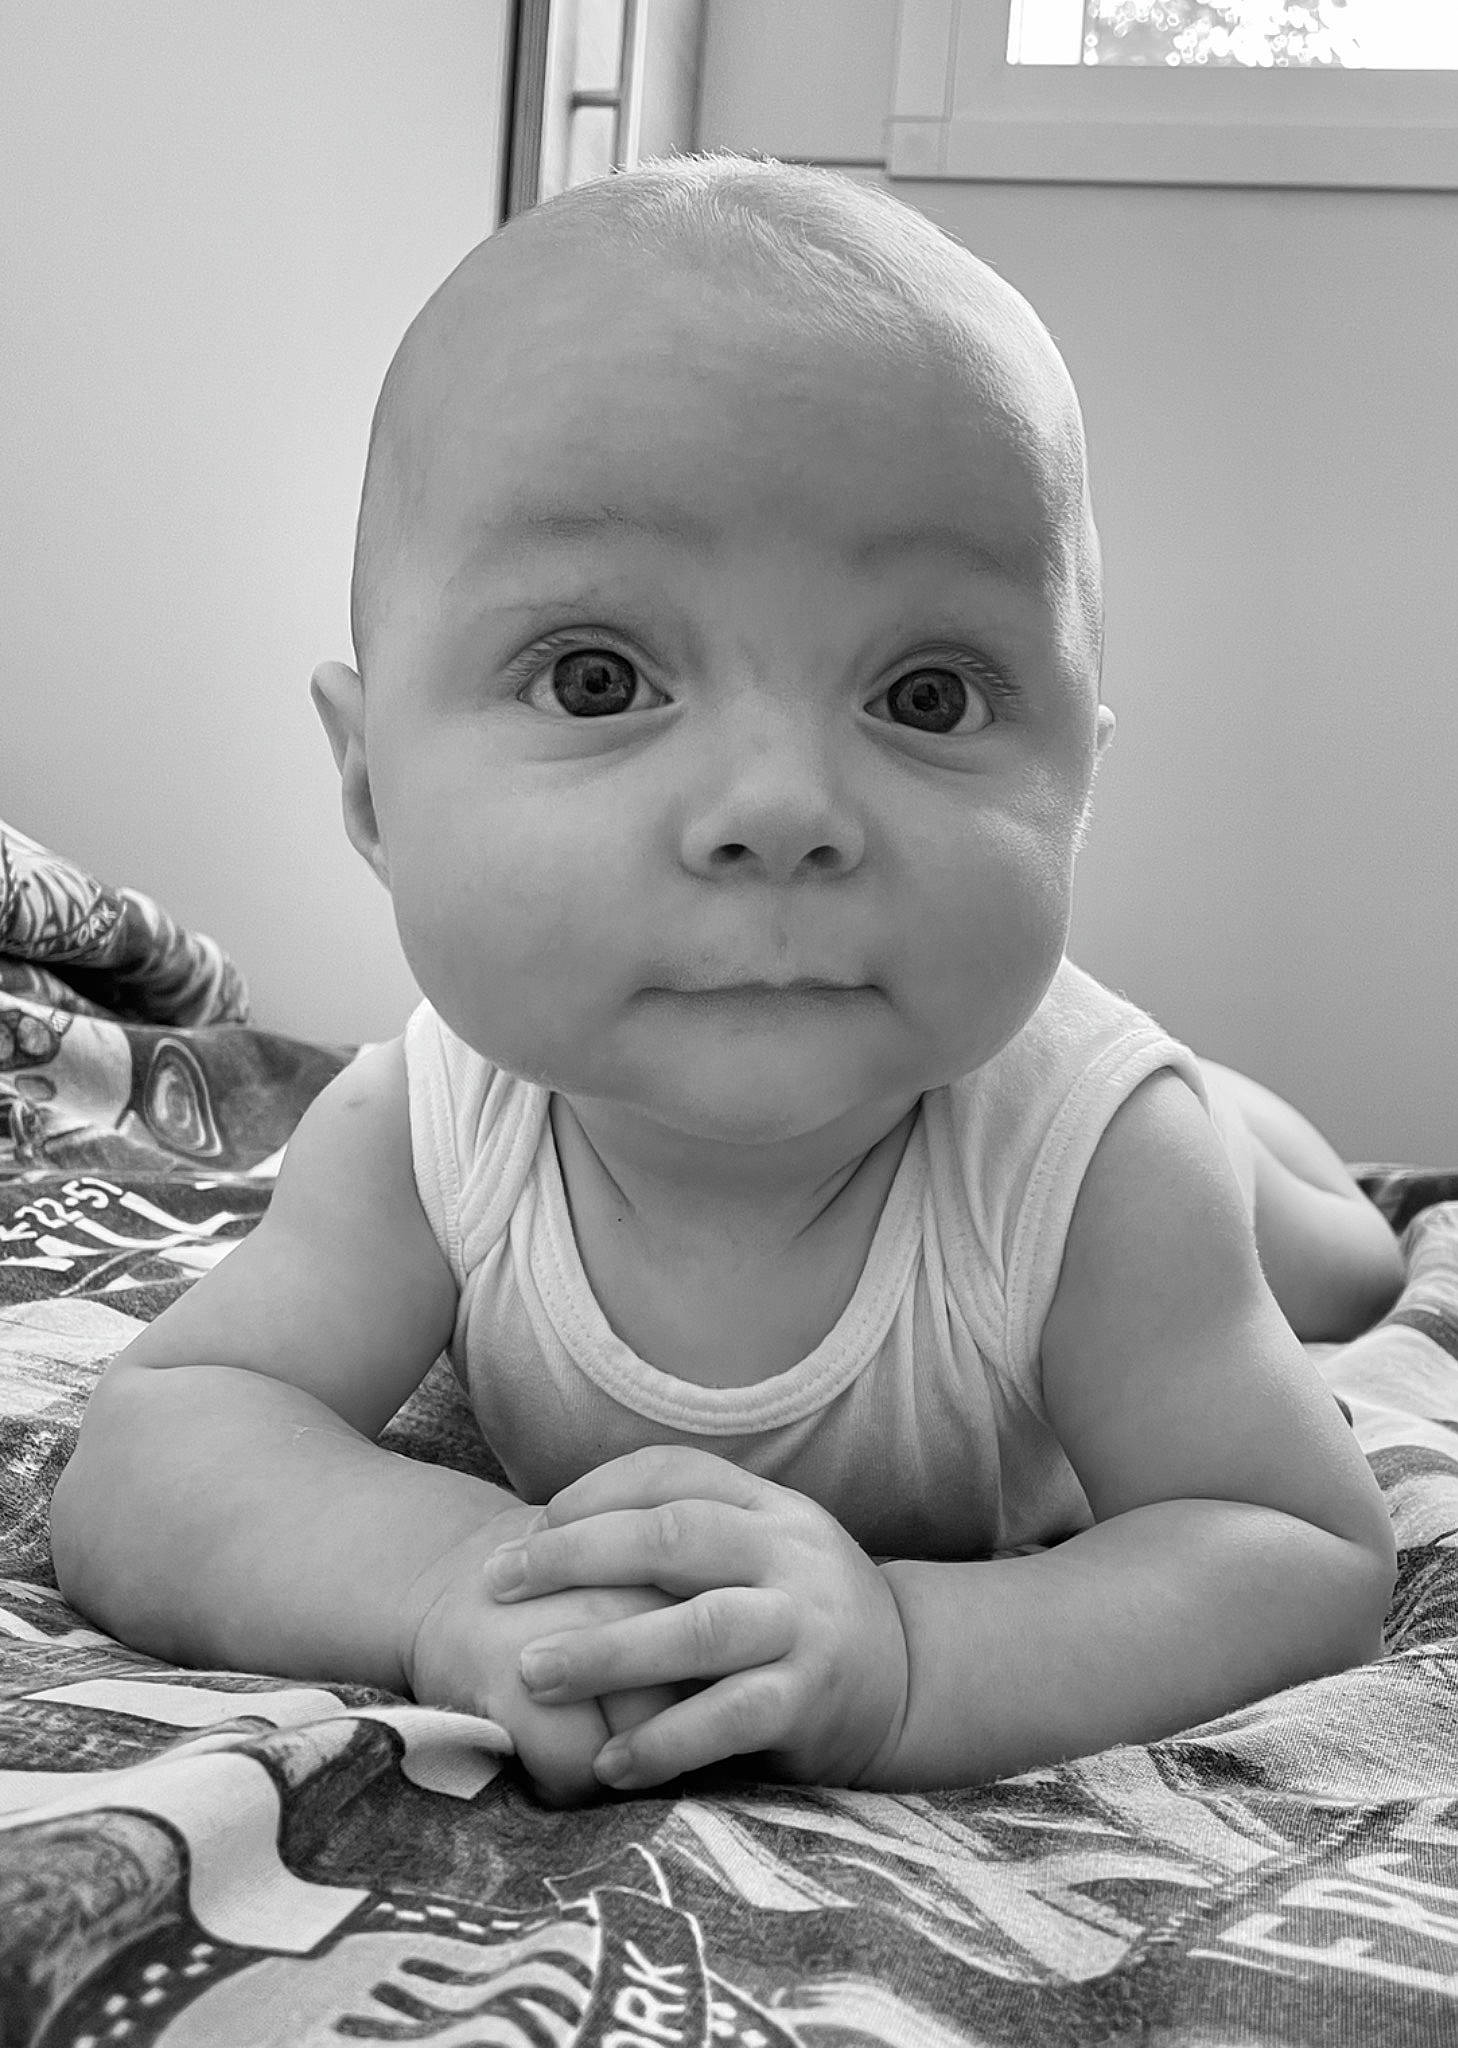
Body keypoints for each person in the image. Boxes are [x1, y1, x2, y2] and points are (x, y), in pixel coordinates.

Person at [50, 151, 1405, 1809]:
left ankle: (1244, 1125)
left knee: (1336, 1261)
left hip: (1097, 1145)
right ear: (371, 790)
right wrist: (448, 1577)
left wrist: (912, 1654)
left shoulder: (1098, 1172)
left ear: (1079, 784)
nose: (778, 808)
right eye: (597, 677)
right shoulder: (422, 1132)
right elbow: (162, 1442)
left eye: (923, 696)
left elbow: (1293, 1544)